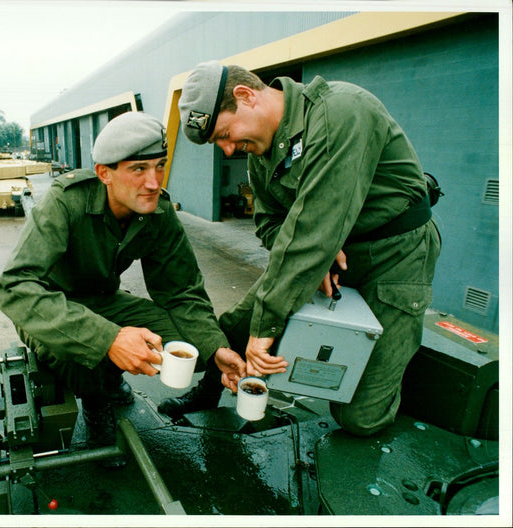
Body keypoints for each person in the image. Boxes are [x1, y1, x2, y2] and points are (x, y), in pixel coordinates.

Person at [159, 61, 441, 436]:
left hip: (396, 256)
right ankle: (210, 391)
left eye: (225, 134)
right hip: (323, 253)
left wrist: (266, 331)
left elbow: (315, 228)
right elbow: (271, 223)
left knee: (361, 419)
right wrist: (317, 260)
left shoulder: (342, 111)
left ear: (246, 95)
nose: (227, 151)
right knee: (235, 326)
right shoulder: (262, 153)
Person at [0, 111, 243, 466]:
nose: (154, 182)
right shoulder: (65, 203)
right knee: (85, 355)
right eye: (138, 169)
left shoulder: (157, 212)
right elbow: (14, 287)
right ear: (104, 173)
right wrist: (109, 340)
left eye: (160, 165)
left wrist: (215, 348)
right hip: (51, 309)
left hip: (104, 301)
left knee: (179, 338)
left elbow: (182, 291)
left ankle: (111, 378)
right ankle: (97, 404)